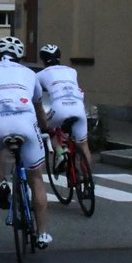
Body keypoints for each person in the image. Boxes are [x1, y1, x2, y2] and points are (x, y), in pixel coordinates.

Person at [0, 35, 52, 248]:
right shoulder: (30, 73)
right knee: (36, 177)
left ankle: (2, 182)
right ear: (21, 56)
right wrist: (45, 127)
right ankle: (42, 234)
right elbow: (38, 106)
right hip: (25, 121)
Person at [34, 44, 91, 174]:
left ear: (42, 59)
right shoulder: (72, 71)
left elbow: (36, 95)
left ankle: (60, 150)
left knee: (48, 129)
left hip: (59, 107)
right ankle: (88, 180)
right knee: (83, 145)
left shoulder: (40, 75)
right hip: (78, 107)